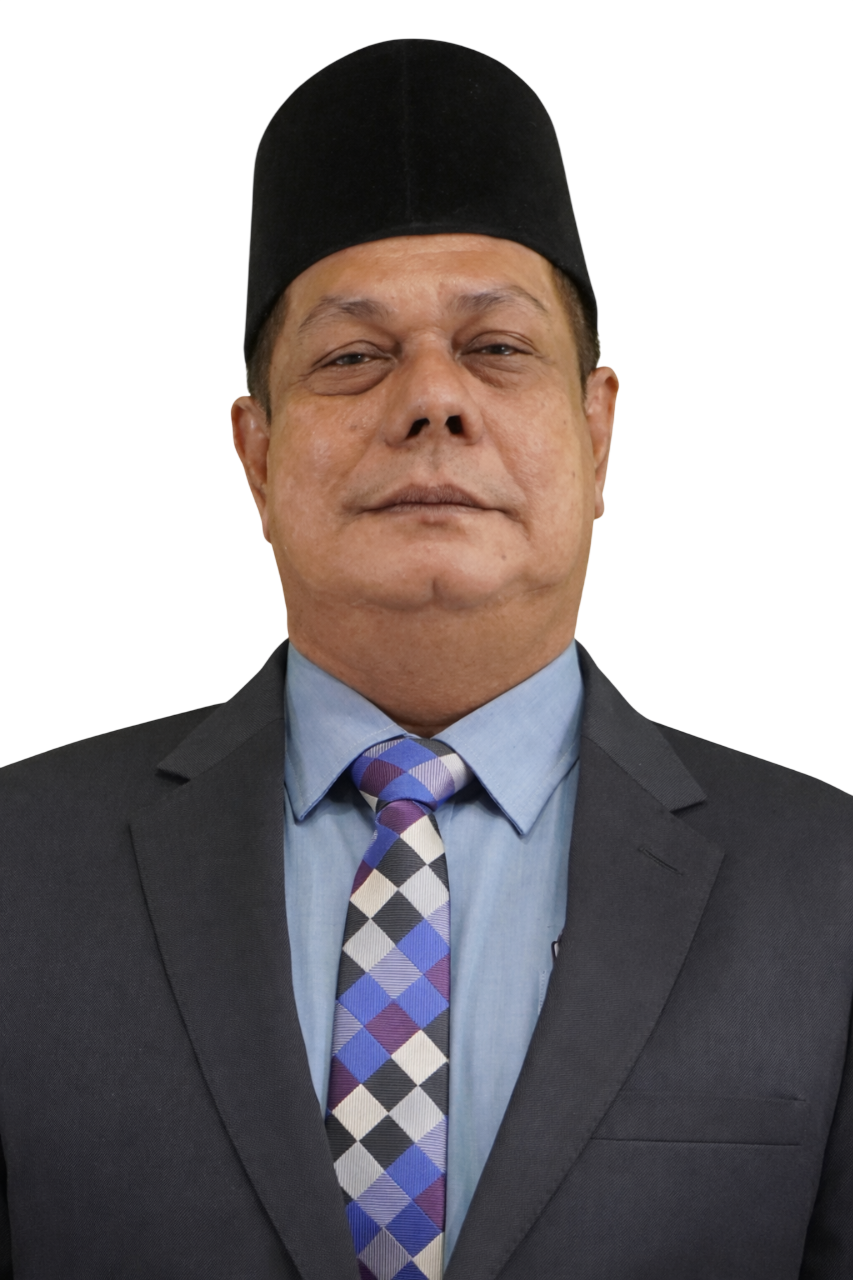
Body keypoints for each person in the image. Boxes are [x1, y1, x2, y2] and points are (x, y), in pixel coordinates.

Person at [0, 39, 849, 1280]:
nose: (432, 399)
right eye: (353, 357)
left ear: (600, 433)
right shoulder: (17, 865)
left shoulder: (832, 883)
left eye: (496, 346)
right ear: (255, 459)